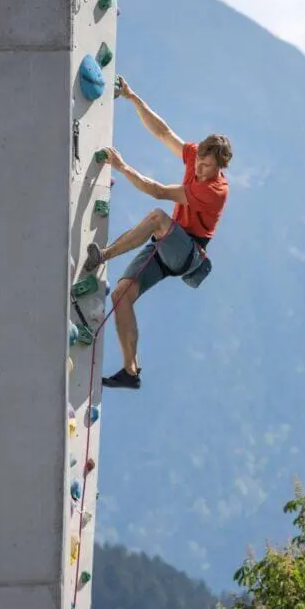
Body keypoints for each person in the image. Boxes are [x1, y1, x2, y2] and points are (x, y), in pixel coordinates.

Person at [82, 76, 231, 390]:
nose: (201, 171)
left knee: (157, 218)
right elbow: (163, 132)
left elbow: (159, 192)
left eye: (208, 167)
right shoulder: (194, 158)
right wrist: (134, 98)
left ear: (220, 167)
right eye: (200, 163)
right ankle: (130, 372)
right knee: (122, 294)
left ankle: (103, 256)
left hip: (188, 252)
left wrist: (122, 167)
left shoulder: (215, 190)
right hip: (169, 246)